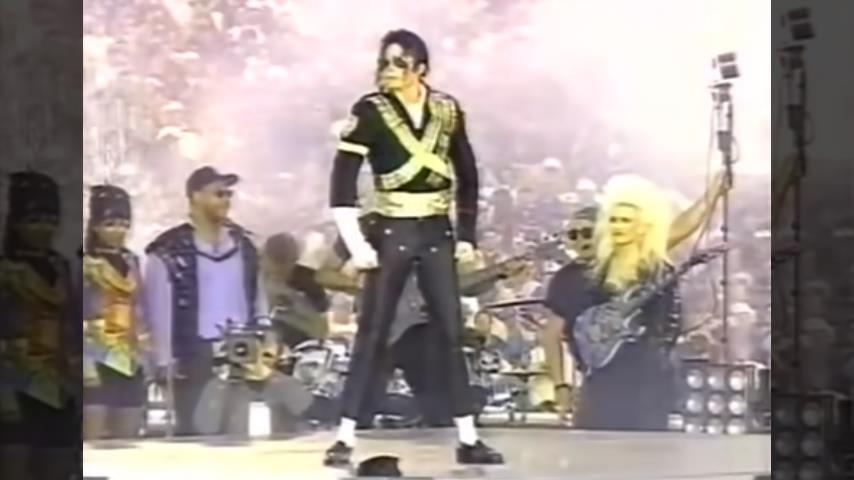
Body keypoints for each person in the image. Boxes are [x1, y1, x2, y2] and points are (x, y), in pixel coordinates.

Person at [324, 29, 503, 465]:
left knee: (450, 332)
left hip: (437, 231)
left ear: (421, 69)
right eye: (384, 62)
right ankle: (345, 437)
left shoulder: (447, 109)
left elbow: (467, 174)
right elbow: (342, 181)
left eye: (399, 63)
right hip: (392, 230)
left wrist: (467, 234)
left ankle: (468, 437)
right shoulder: (369, 111)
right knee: (373, 333)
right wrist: (356, 243)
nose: (388, 70)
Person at [542, 171, 730, 421]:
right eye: (573, 235)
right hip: (599, 385)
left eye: (587, 232)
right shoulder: (566, 278)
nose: (580, 240)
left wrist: (712, 193)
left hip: (648, 382)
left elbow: (682, 227)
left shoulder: (635, 258)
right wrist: (561, 387)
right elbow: (551, 335)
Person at [145, 166, 267, 436]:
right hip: (193, 354)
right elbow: (158, 311)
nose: (226, 200)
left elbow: (257, 295)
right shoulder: (168, 250)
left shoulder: (243, 246)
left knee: (238, 431)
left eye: (228, 194)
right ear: (195, 196)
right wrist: (163, 361)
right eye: (218, 194)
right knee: (197, 433)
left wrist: (264, 334)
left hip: (240, 349)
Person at [0, 171, 77, 480]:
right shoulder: (6, 270)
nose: (44, 228)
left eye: (50, 220)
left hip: (57, 387)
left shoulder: (61, 267)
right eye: (34, 220)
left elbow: (70, 325)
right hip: (11, 386)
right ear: (17, 222)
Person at [82, 185, 149, 440]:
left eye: (124, 224)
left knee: (126, 440)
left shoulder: (132, 261)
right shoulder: (85, 263)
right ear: (95, 226)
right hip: (94, 358)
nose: (119, 231)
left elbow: (141, 308)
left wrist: (146, 355)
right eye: (110, 224)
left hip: (129, 358)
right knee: (92, 439)